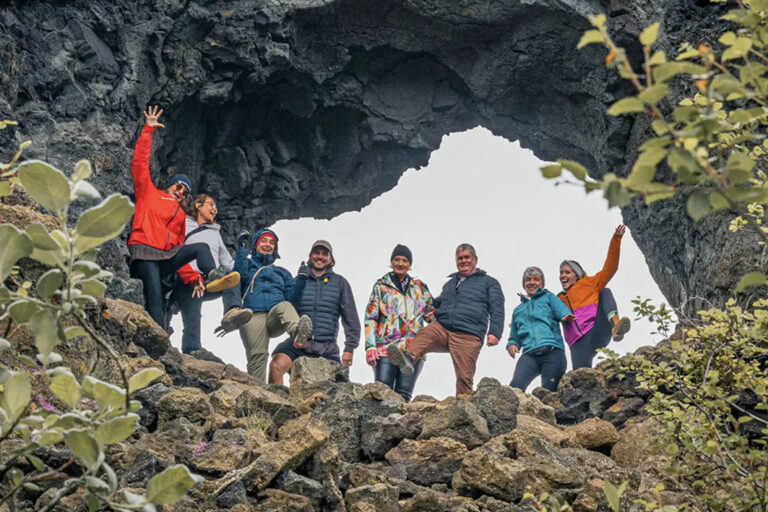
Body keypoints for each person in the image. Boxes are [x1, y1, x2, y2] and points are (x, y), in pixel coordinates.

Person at [128, 106, 238, 328]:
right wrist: (148, 130)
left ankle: (212, 276)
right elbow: (139, 163)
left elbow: (179, 248)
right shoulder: (149, 192)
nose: (180, 192)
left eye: (185, 192)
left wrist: (195, 278)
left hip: (166, 258)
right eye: (178, 187)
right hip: (145, 252)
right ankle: (156, 344)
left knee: (199, 248)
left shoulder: (180, 214)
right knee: (155, 298)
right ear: (170, 185)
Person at [388, 243, 505, 396]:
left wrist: (495, 332)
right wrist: (418, 288)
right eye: (460, 258)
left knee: (464, 377)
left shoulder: (489, 282)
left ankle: (464, 409)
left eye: (466, 257)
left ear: (475, 259)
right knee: (425, 334)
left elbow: (497, 307)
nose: (463, 261)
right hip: (443, 328)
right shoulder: (450, 284)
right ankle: (408, 359)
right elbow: (435, 303)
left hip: (468, 334)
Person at [269, 240, 361, 385]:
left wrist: (350, 347)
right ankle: (280, 404)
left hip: (327, 348)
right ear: (310, 255)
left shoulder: (340, 283)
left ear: (331, 259)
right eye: (316, 253)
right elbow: (287, 308)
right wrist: (300, 281)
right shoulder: (299, 279)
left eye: (325, 254)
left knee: (337, 388)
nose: (320, 256)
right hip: (298, 344)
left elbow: (351, 317)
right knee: (276, 366)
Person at [169, 194, 253, 354]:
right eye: (211, 205)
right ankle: (191, 353)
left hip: (209, 280)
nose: (215, 209)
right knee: (192, 320)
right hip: (185, 279)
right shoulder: (183, 223)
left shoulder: (215, 233)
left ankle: (231, 313)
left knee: (232, 278)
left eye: (215, 207)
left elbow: (229, 265)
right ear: (198, 206)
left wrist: (242, 248)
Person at [231, 228, 312, 382]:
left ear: (275, 248)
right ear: (255, 245)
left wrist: (301, 280)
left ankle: (298, 332)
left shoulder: (282, 272)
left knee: (286, 306)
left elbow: (292, 299)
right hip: (253, 314)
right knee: (258, 356)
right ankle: (258, 393)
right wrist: (242, 248)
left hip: (276, 314)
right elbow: (238, 277)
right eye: (263, 241)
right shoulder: (247, 265)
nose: (267, 244)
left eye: (271, 242)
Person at [364, 244, 434, 401]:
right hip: (386, 349)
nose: (400, 264)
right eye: (397, 260)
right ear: (391, 262)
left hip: (413, 351)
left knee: (404, 395)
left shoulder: (420, 288)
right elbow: (371, 317)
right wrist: (370, 347)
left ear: (410, 265)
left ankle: (398, 426)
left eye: (404, 260)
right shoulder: (381, 286)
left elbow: (432, 316)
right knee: (382, 393)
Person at [558, 224, 632, 369]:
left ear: (577, 274)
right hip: (577, 342)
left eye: (567, 272)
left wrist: (616, 239)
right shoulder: (558, 298)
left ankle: (615, 325)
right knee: (581, 376)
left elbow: (610, 267)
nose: (562, 276)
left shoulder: (590, 283)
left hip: (596, 329)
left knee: (605, 292)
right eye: (561, 273)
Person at [507, 267, 574, 392]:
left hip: (552, 351)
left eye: (536, 279)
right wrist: (512, 344)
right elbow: (514, 336)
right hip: (529, 354)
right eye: (528, 280)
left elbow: (562, 311)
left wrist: (565, 316)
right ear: (524, 284)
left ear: (542, 283)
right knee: (515, 387)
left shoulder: (548, 297)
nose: (532, 282)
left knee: (550, 392)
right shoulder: (518, 310)